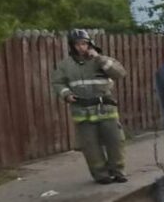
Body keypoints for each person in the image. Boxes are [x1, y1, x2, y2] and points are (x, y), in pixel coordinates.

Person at [50, 29, 128, 184]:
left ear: (90, 44)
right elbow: (58, 82)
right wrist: (66, 94)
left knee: (115, 142)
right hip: (82, 111)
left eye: (84, 44)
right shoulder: (65, 65)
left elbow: (119, 73)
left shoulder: (102, 60)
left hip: (105, 108)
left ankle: (118, 172)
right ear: (72, 46)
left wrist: (99, 59)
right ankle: (101, 175)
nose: (81, 47)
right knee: (90, 147)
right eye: (77, 44)